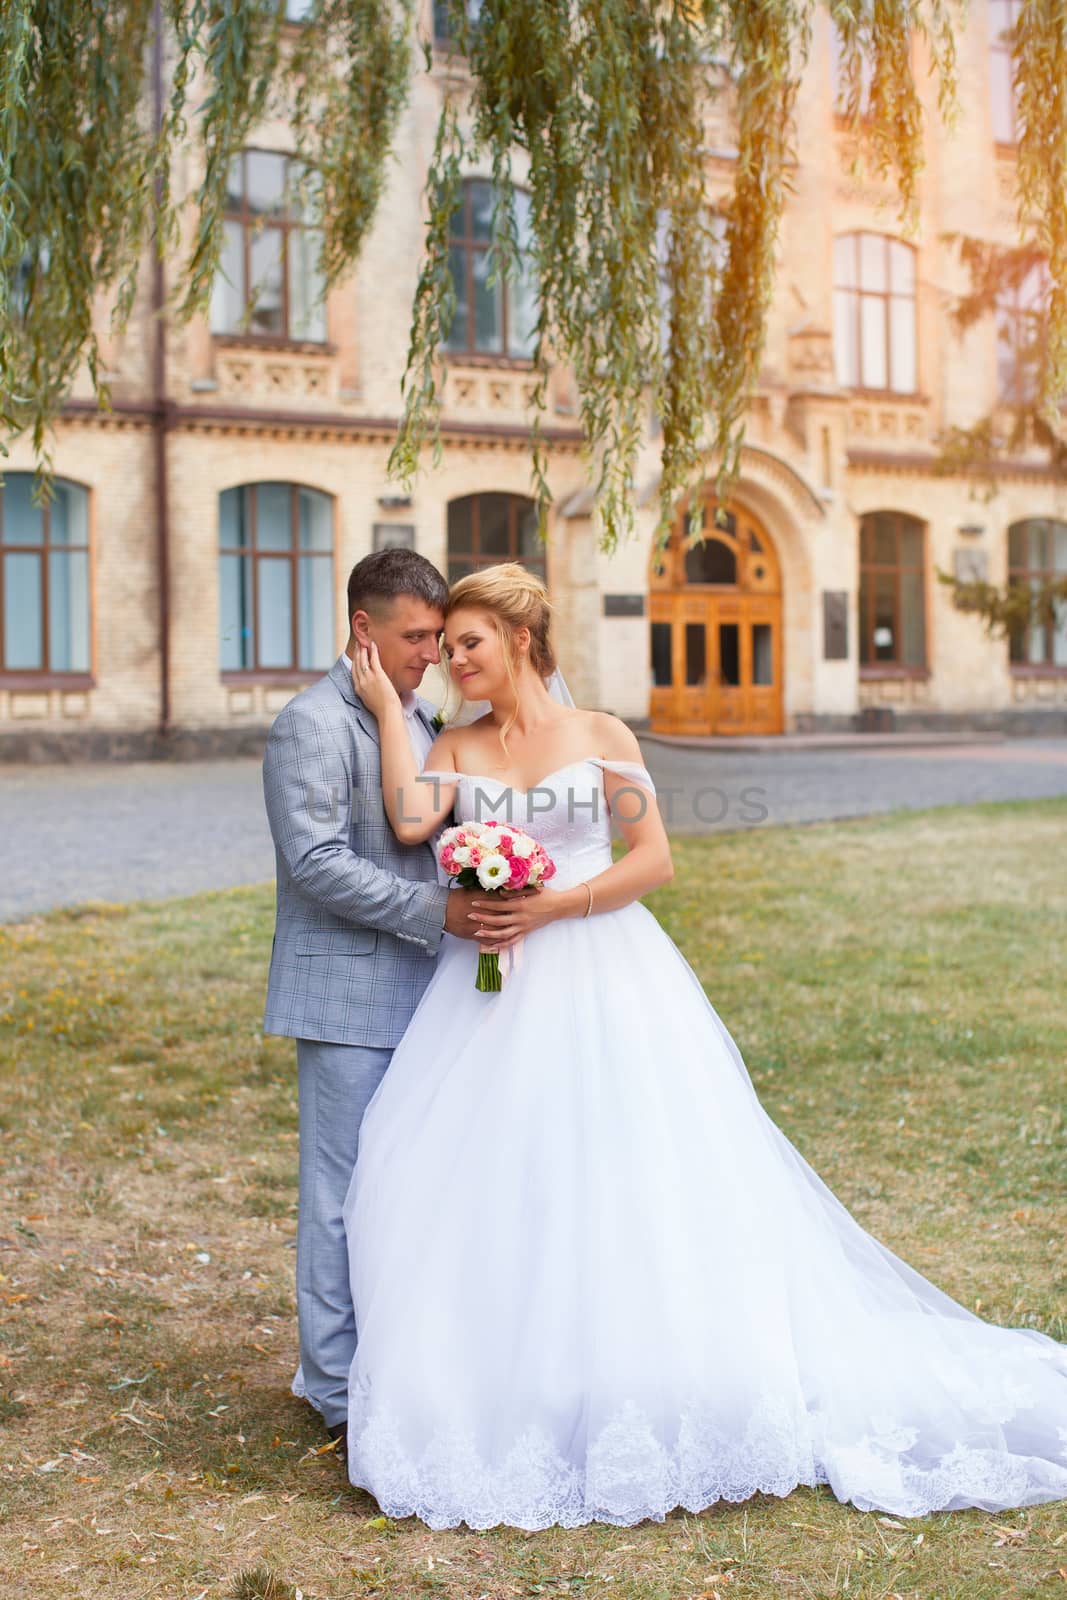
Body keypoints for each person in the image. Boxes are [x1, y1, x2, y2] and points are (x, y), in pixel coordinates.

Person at [340, 561, 1067, 1530]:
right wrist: (390, 706)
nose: (453, 661)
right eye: (444, 647)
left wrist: (547, 902)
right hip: (488, 997)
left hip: (602, 967)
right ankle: (527, 1375)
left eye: (467, 642)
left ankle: (653, 1369)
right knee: (499, 1171)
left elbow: (652, 859)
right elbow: (406, 818)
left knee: (631, 1168)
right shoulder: (454, 745)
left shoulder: (598, 735)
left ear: (519, 637)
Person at [260, 549, 501, 1457]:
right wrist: (436, 909)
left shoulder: (419, 713)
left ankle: (396, 1360)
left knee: (411, 1187)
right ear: (363, 628)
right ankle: (330, 1386)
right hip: (347, 997)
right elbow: (316, 862)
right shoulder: (310, 726)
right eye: (415, 637)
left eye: (439, 639)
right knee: (340, 1195)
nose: (431, 655)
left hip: (429, 997)